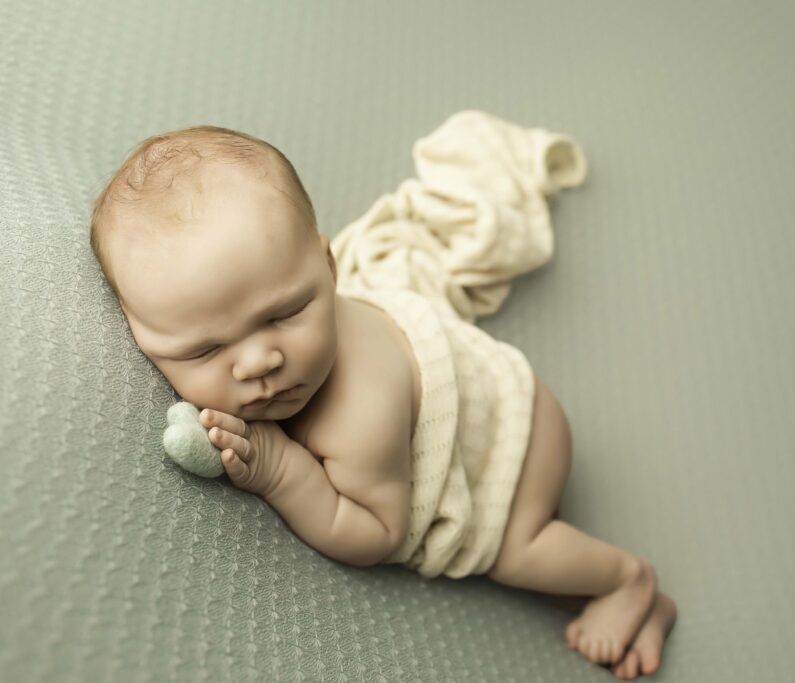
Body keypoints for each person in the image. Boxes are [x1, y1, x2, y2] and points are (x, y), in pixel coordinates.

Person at [89, 125, 676, 679]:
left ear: (329, 266)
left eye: (286, 313)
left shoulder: (359, 413)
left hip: (517, 439)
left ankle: (627, 580)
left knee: (518, 553)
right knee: (543, 583)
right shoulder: (255, 331)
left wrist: (279, 470)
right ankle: (648, 617)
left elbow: (377, 534)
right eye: (205, 350)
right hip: (479, 387)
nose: (259, 363)